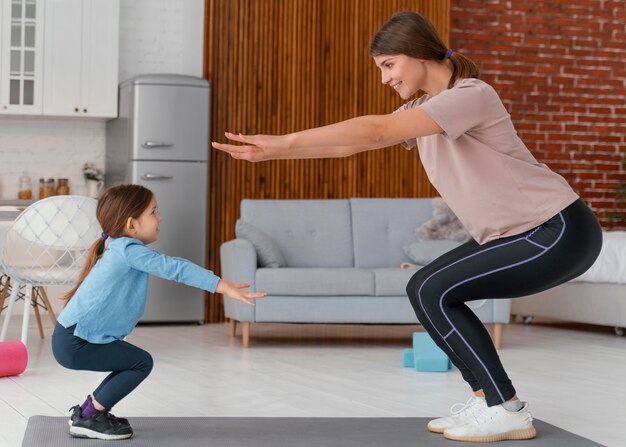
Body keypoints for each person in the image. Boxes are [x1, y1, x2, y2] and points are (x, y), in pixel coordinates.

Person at [211, 11, 602, 443]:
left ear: (417, 54)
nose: (384, 79)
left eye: (388, 65)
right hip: (527, 234)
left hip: (556, 228)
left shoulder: (471, 95)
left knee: (430, 287)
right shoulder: (423, 109)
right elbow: (349, 145)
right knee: (428, 289)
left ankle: (504, 407)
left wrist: (285, 141)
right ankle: (489, 402)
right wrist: (274, 154)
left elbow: (377, 130)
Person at [51, 184, 265, 440]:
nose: (159, 217)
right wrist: (221, 286)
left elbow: (171, 265)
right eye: (153, 212)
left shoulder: (121, 248)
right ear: (131, 225)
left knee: (134, 361)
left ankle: (89, 413)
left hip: (70, 338)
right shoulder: (129, 251)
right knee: (140, 363)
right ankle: (89, 417)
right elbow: (173, 268)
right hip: (75, 341)